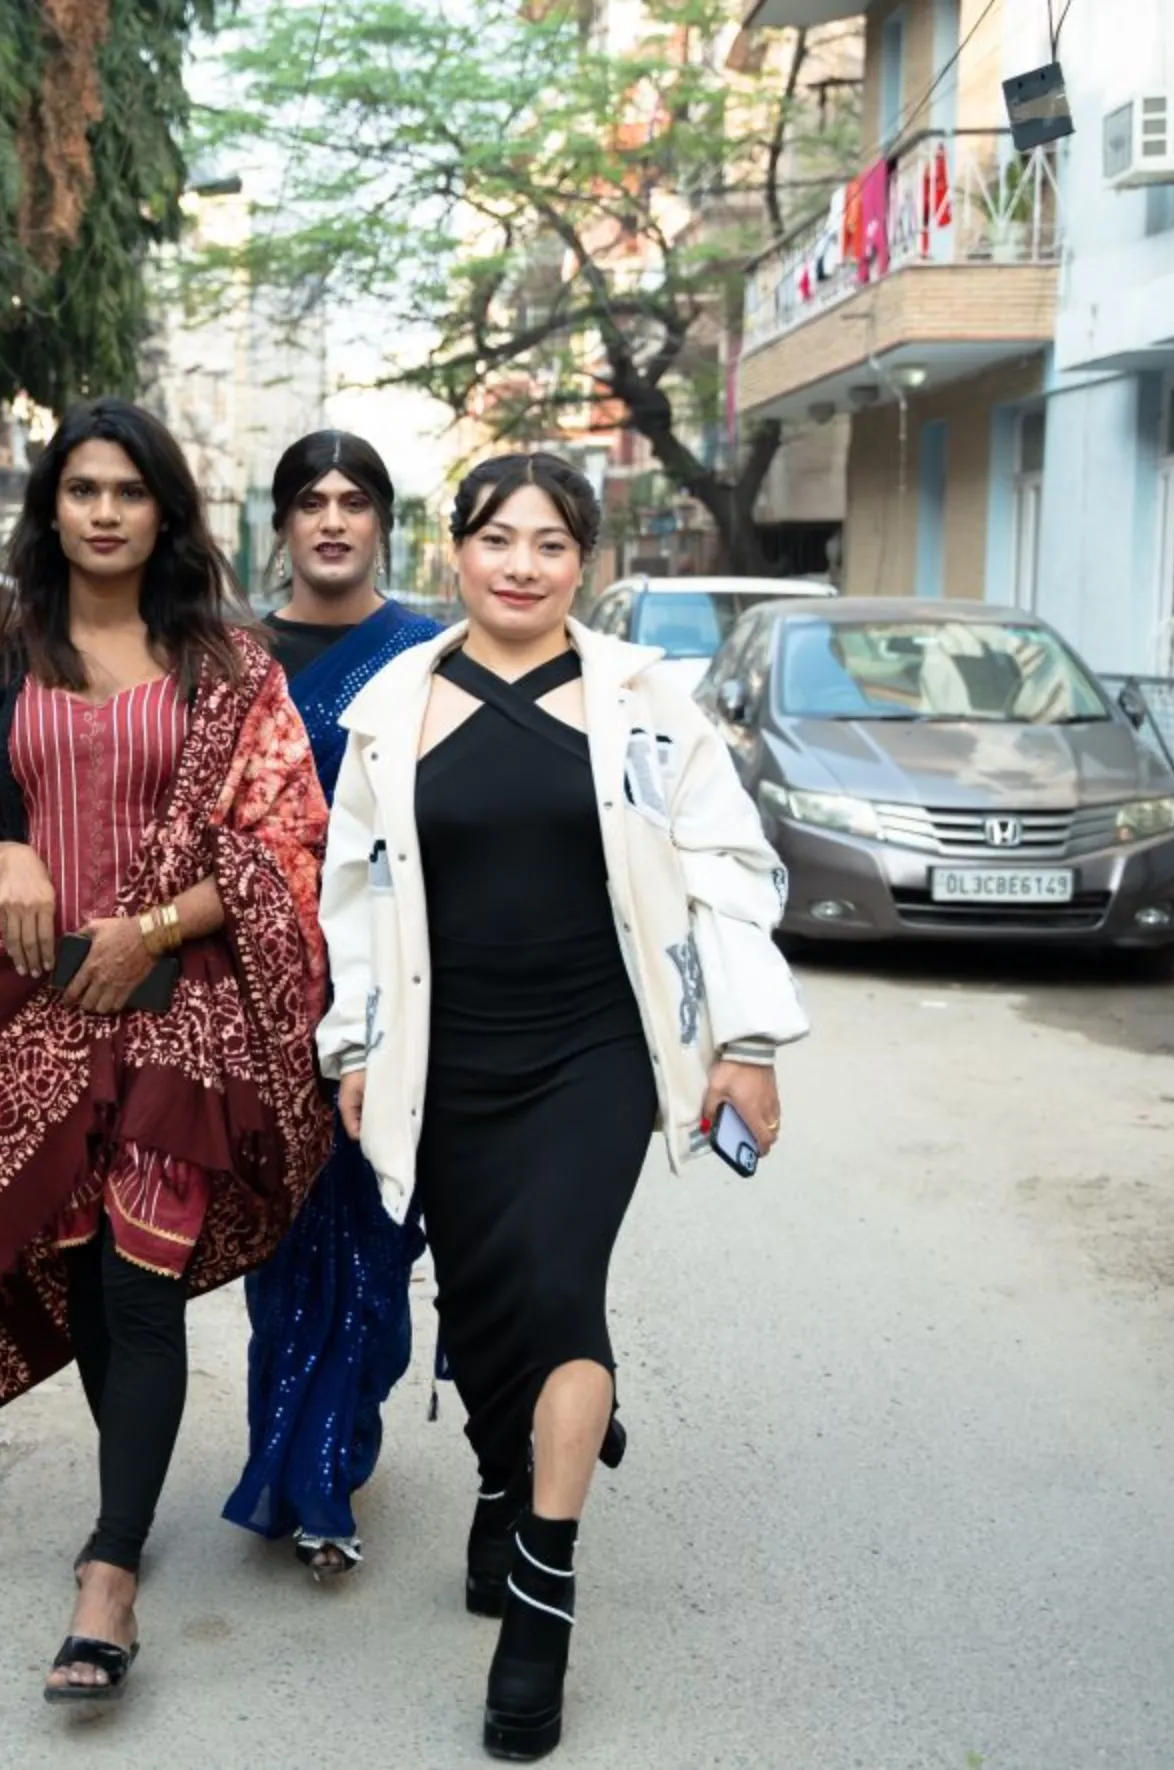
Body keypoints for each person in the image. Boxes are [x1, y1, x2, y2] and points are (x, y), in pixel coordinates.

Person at [316, 453, 807, 1760]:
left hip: (595, 1046)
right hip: (447, 1046)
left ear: (583, 560)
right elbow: (354, 898)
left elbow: (730, 865)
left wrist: (747, 1038)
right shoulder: (391, 707)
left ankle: (544, 1584)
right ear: (456, 551)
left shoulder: (646, 704)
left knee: (554, 1289)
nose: (521, 562)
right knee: (478, 1308)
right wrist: (354, 1040)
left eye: (549, 541)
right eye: (496, 538)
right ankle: (500, 1464)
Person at [0, 397, 334, 1703]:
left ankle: (110, 1573)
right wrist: (13, 857)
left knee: (141, 1282)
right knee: (84, 1282)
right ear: (52, 509)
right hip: (33, 1005)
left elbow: (279, 843)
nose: (102, 510)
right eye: (81, 489)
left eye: (128, 490)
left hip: (176, 1010)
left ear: (164, 512)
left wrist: (148, 925)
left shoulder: (227, 667)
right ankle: (130, 1495)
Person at [224, 431, 442, 1579]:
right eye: (310, 500)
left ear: (382, 524)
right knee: (286, 1245)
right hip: (261, 993)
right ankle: (294, 1468)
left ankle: (334, 1455)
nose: (333, 520)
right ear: (282, 524)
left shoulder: (426, 655)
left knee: (374, 1238)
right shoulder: (234, 658)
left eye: (356, 501)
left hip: (391, 984)